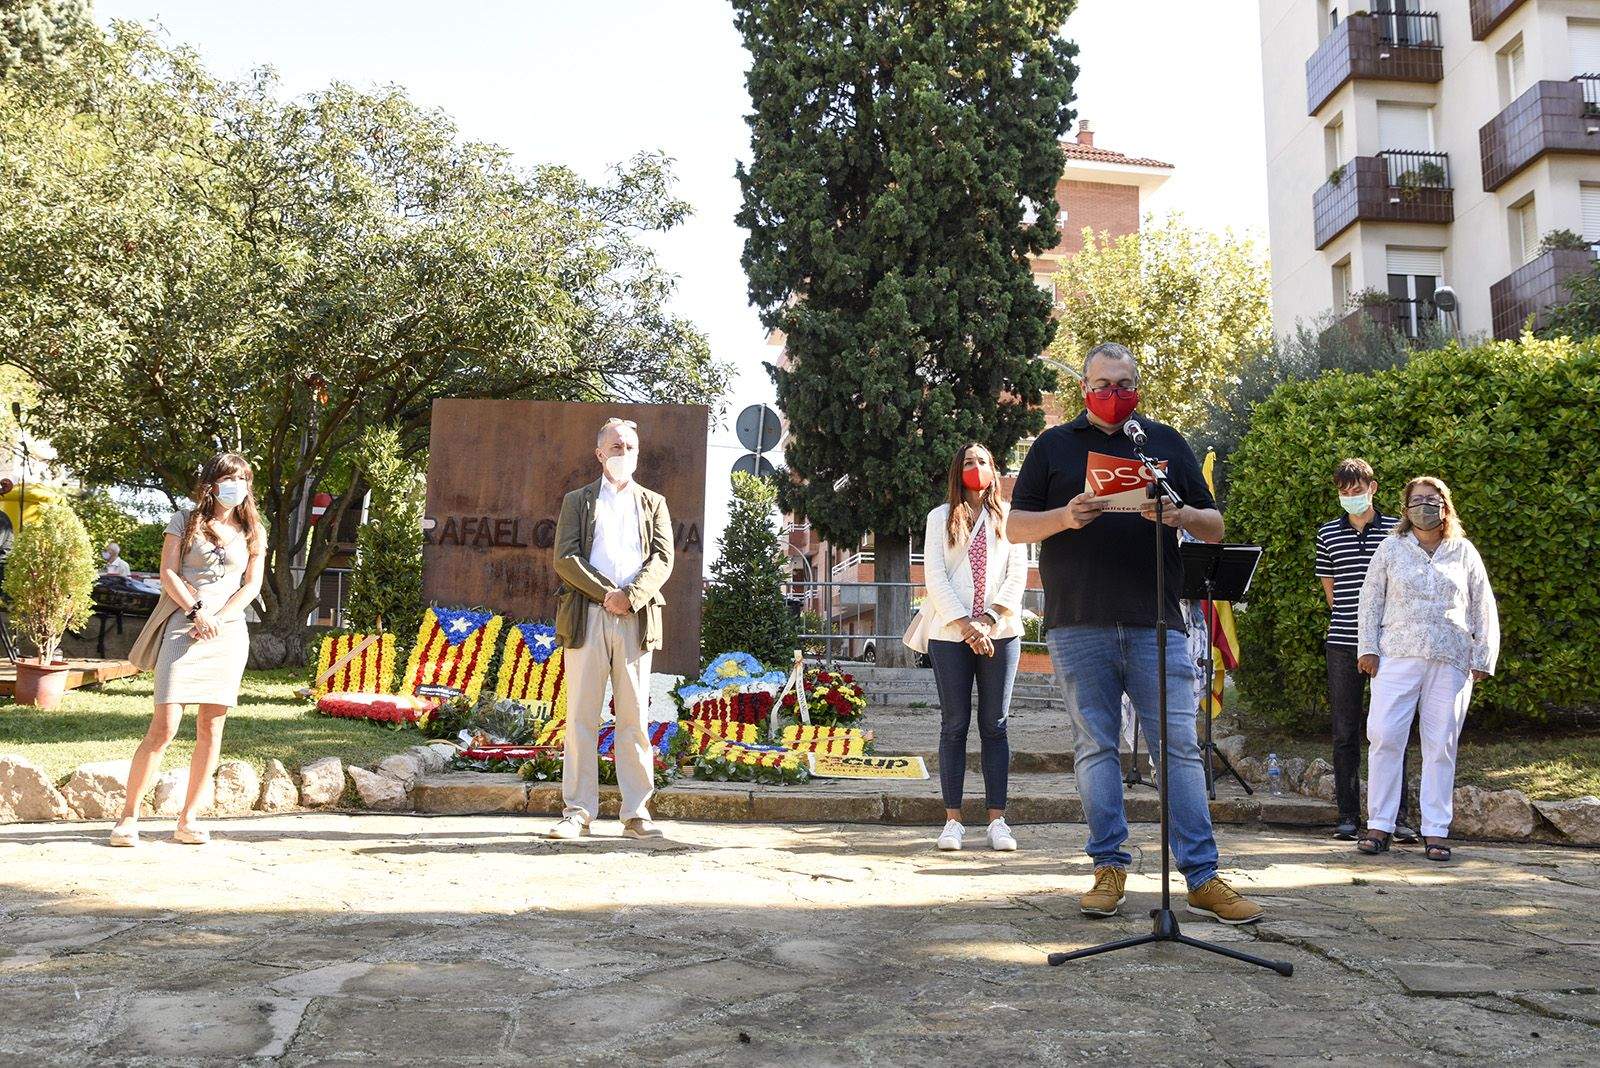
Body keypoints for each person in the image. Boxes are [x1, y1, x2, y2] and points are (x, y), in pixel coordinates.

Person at [1007, 342, 1262, 924]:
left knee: (1179, 749)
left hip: (1157, 621)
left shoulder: (1166, 443)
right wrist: (1065, 517)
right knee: (1097, 748)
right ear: (1084, 389)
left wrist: (1178, 516)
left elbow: (1215, 524)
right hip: (1079, 622)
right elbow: (1017, 525)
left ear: (1138, 388)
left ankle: (1201, 877)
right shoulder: (1053, 446)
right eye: (1103, 384)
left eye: (1124, 384)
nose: (1113, 394)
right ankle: (1108, 867)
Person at [112, 454, 265, 847]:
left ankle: (189, 818)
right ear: (212, 484)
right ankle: (129, 817)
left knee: (211, 729)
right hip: (184, 625)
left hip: (227, 634)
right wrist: (197, 611)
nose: (236, 485)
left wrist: (221, 617)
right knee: (163, 727)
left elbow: (250, 586)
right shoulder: (184, 520)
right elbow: (168, 573)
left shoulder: (253, 530)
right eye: (229, 477)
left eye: (243, 478)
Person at [1357, 476, 1498, 862]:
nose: (1424, 506)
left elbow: (1482, 603)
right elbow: (1370, 601)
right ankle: (1379, 825)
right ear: (1405, 509)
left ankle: (1436, 831)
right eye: (1416, 500)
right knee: (1384, 736)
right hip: (1396, 656)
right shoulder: (1390, 548)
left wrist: (1482, 656)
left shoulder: (1463, 551)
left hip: (1450, 660)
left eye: (1432, 500)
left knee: (1441, 744)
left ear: (1445, 507)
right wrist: (1367, 648)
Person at [547, 417, 675, 842]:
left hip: (636, 618)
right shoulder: (577, 501)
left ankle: (637, 814)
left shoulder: (654, 502)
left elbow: (663, 559)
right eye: (616, 447)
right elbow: (565, 557)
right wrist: (608, 594)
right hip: (587, 615)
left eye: (630, 448)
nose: (623, 454)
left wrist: (630, 596)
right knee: (582, 715)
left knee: (634, 718)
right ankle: (577, 813)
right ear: (600, 453)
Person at [918, 443, 1028, 852]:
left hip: (1000, 633)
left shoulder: (1009, 518)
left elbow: (1017, 576)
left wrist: (988, 621)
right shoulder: (940, 518)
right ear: (956, 470)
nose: (976, 467)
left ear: (994, 469)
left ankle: (997, 820)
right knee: (954, 724)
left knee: (995, 725)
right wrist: (966, 625)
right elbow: (934, 575)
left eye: (983, 460)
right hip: (950, 635)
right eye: (967, 461)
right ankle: (953, 821)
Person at [1314, 458, 1418, 843]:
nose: (1350, 497)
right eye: (1344, 492)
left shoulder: (1397, 532)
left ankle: (1397, 817)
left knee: (1392, 731)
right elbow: (1332, 592)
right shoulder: (1327, 534)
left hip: (1392, 645)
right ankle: (1347, 816)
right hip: (1343, 643)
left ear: (1372, 488)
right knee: (1344, 731)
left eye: (1356, 490)